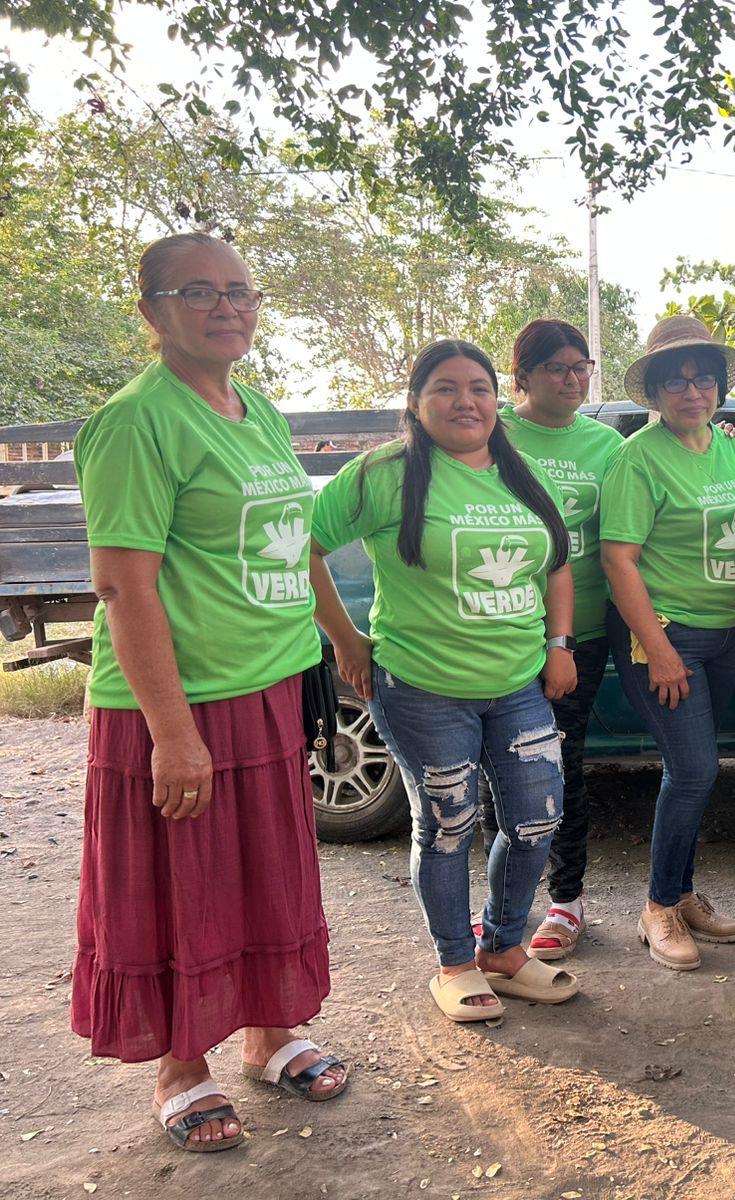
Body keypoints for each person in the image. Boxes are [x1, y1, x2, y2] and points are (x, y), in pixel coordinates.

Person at [72, 232, 347, 1154]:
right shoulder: (134, 421)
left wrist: (337, 638)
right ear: (150, 311)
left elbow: (292, 542)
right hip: (179, 703)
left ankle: (270, 1035)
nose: (227, 306)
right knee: (180, 887)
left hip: (268, 687)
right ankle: (182, 1067)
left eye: (241, 291)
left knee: (269, 871)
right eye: (200, 291)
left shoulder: (255, 408)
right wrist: (173, 734)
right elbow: (124, 585)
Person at [309, 339, 581, 1023]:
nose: (467, 401)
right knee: (449, 822)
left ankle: (503, 948)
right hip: (424, 688)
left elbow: (555, 565)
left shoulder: (521, 474)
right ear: (415, 402)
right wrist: (347, 638)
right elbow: (299, 546)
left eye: (480, 388)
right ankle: (456, 962)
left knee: (535, 818)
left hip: (518, 681)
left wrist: (558, 645)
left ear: (497, 400)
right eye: (446, 388)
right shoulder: (384, 473)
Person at [599, 316, 735, 971]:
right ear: (656, 392)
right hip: (663, 637)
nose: (691, 391)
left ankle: (684, 893)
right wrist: (660, 650)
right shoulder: (637, 458)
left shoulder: (728, 448)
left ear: (719, 387)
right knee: (695, 769)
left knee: (688, 773)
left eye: (702, 379)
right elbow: (618, 561)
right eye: (676, 380)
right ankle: (659, 907)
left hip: (724, 633)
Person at [500, 319, 624, 961]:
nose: (574, 378)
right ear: (522, 376)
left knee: (558, 763)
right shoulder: (490, 432)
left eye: (582, 366)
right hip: (499, 623)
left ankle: (565, 900)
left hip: (581, 633)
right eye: (558, 368)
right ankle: (505, 906)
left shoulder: (607, 444)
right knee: (503, 768)